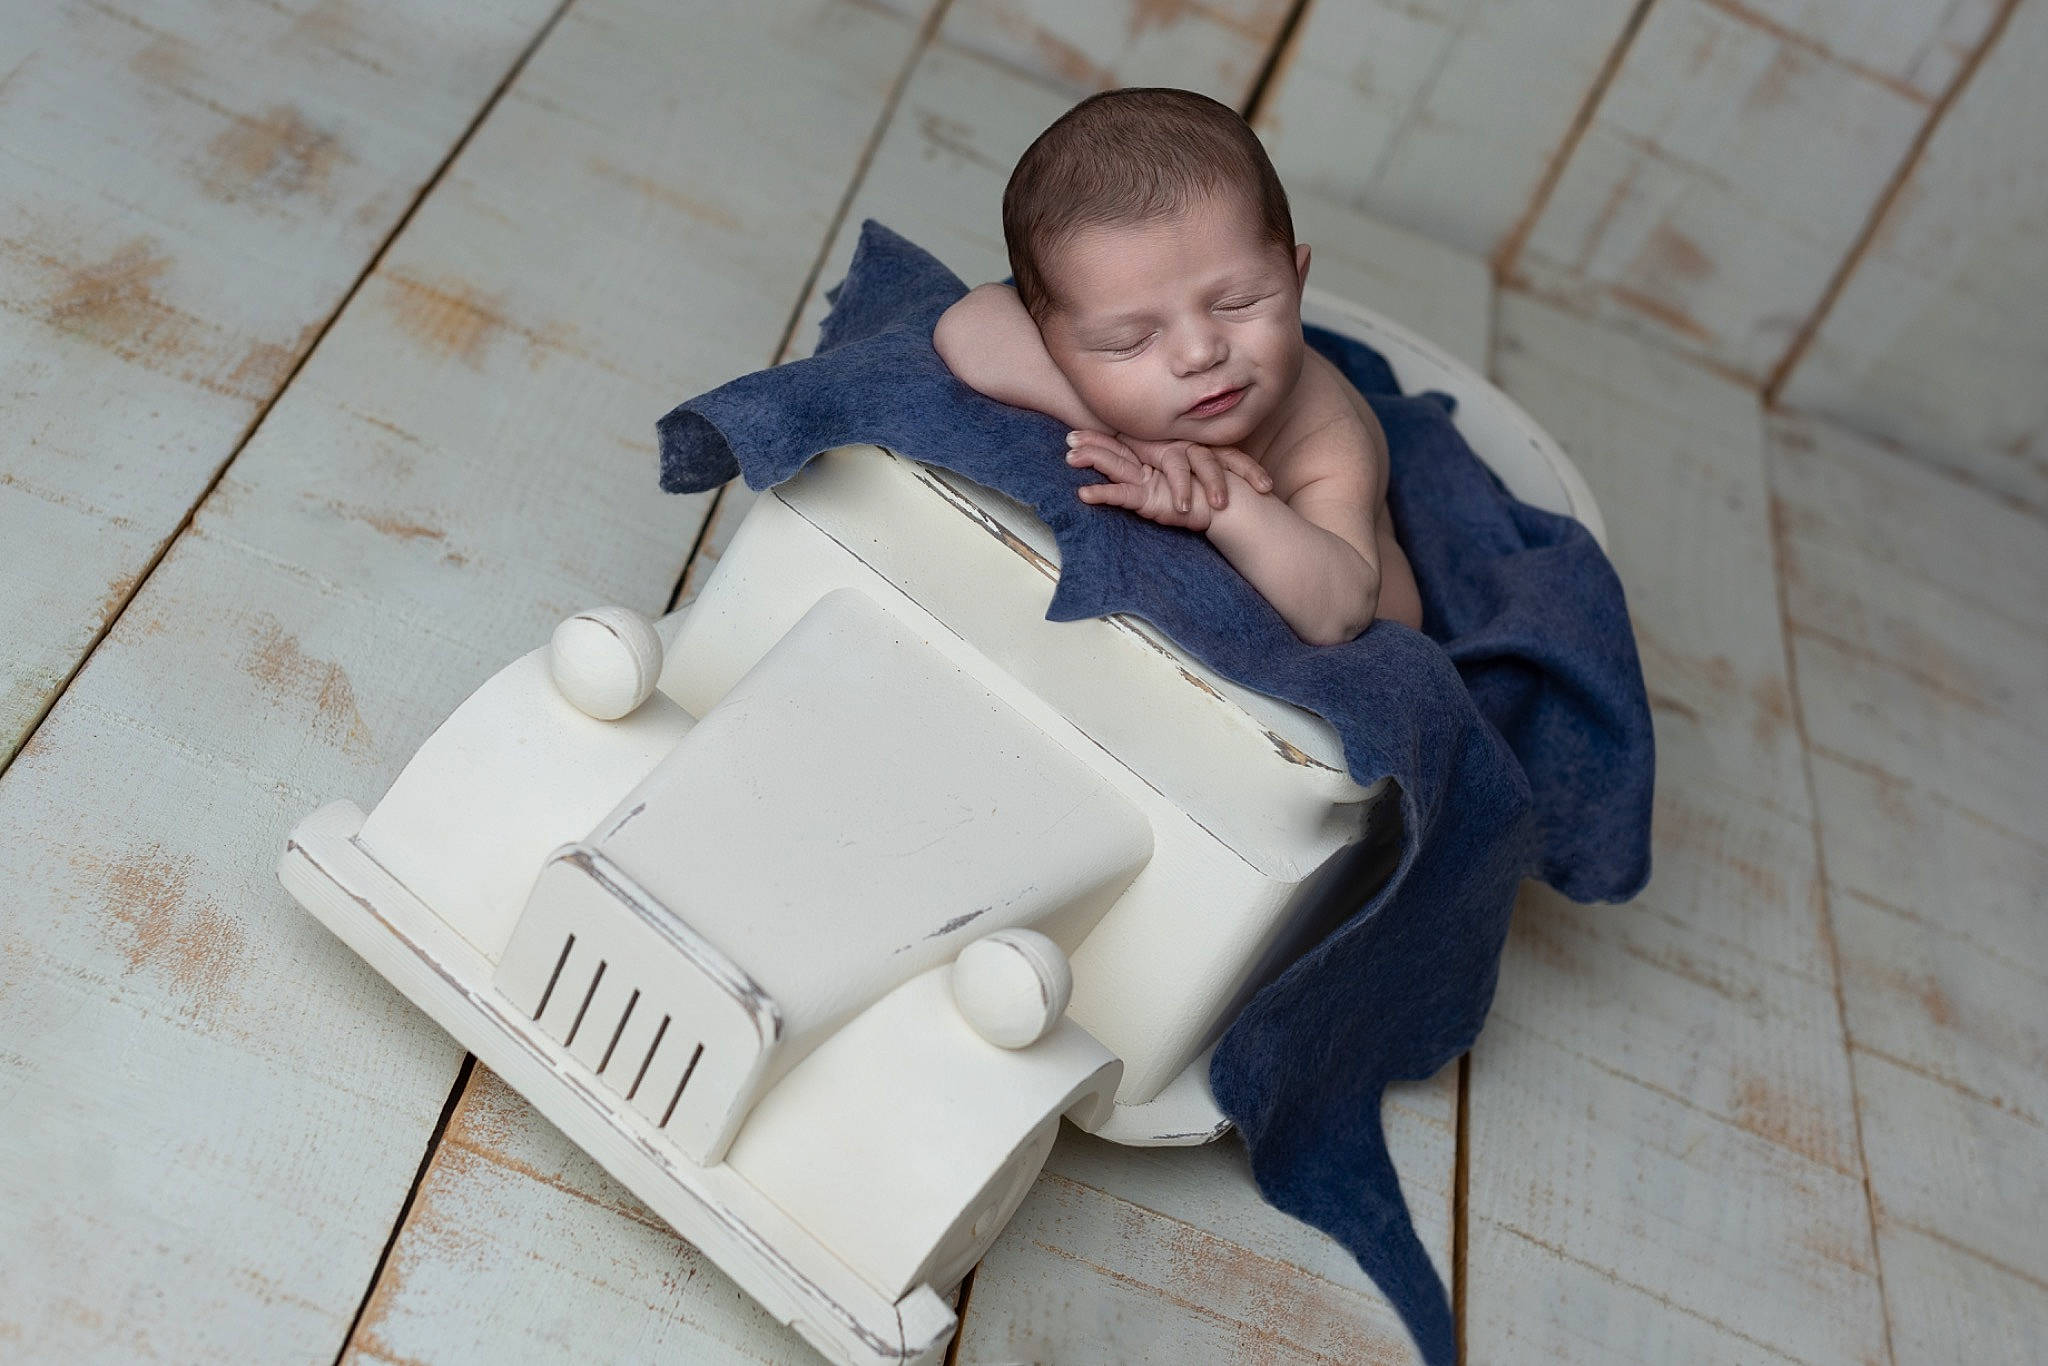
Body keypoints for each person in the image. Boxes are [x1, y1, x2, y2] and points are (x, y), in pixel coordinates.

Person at [932, 87, 1422, 643]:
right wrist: (1132, 436)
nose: (1200, 354)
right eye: (1130, 340)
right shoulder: (1077, 346)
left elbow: (1344, 608)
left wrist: (1218, 502)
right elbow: (966, 324)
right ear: (1049, 341)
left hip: (1357, 600)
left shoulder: (1323, 433)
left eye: (1238, 305)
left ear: (1296, 280)